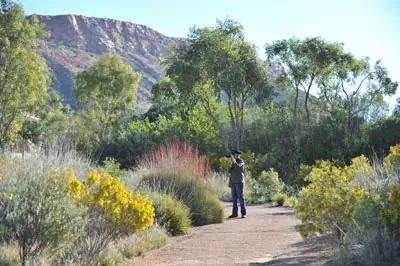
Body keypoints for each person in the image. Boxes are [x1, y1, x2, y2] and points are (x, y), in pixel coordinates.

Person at [228, 150, 247, 218]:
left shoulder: (241, 161)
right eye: (233, 155)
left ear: (238, 155)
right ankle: (234, 214)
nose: (234, 156)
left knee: (241, 198)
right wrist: (231, 163)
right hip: (233, 182)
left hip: (239, 182)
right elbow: (229, 171)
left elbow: (239, 168)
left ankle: (243, 213)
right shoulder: (232, 162)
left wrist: (234, 162)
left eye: (234, 155)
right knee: (234, 199)